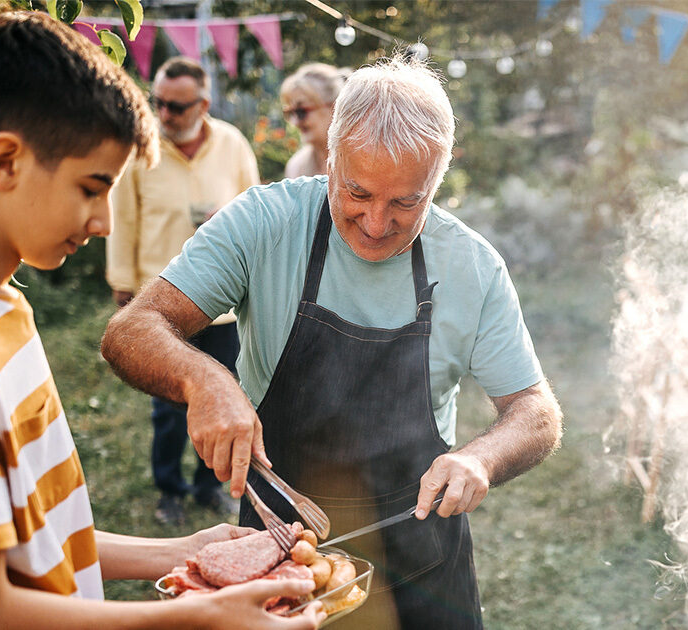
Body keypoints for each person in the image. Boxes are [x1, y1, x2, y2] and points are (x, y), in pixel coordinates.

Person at [101, 55, 563, 629]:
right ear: (332, 155)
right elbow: (132, 329)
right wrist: (206, 379)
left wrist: (480, 458)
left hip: (420, 561)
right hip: (281, 549)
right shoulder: (264, 223)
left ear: (438, 182)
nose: (374, 223)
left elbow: (535, 412)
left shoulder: (471, 265)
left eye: (405, 202)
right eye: (357, 192)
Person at [0, 12, 324, 629]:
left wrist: (184, 552)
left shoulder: (0, 310)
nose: (103, 221)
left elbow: (39, 538)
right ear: (5, 161)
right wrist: (194, 619)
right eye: (90, 187)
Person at [106, 56, 261, 525]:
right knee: (169, 409)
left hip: (224, 303)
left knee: (225, 394)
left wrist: (230, 221)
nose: (164, 114)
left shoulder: (232, 144)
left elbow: (257, 206)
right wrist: (123, 283)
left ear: (203, 104)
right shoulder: (142, 148)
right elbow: (122, 219)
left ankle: (210, 486)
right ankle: (169, 490)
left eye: (175, 106)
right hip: (161, 303)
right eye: (159, 103)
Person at [279, 62, 346, 179]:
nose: (295, 122)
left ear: (334, 107)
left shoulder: (359, 162)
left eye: (301, 111)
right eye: (290, 112)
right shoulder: (296, 167)